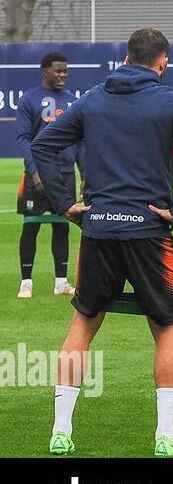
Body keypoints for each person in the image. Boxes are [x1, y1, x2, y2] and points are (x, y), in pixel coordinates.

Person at [31, 28, 173, 457]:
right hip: (149, 232)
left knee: (82, 325)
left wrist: (64, 203)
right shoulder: (171, 102)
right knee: (165, 327)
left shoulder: (93, 98)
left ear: (126, 58)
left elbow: (43, 145)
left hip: (99, 229)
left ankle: (61, 432)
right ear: (162, 62)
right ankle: (164, 437)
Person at [15, 51, 80, 299]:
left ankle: (61, 283)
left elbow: (81, 141)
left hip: (65, 174)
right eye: (58, 70)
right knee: (31, 227)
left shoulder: (74, 101)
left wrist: (84, 174)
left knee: (63, 227)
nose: (63, 75)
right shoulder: (29, 100)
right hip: (37, 175)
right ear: (45, 71)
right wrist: (34, 169)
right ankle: (26, 282)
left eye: (65, 71)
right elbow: (23, 138)